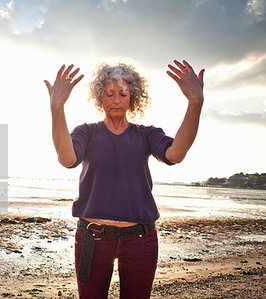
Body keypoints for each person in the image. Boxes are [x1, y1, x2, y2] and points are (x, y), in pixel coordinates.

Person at [44, 60, 204, 298]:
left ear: (133, 97)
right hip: (92, 237)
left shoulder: (146, 134)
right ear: (101, 97)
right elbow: (67, 159)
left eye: (122, 93)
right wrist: (57, 107)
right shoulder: (87, 132)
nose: (116, 99)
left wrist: (195, 102)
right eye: (110, 94)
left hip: (140, 239)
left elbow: (175, 154)